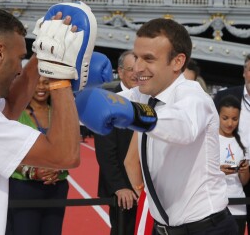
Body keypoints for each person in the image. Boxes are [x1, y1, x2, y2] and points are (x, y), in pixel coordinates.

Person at [77, 18, 239, 234]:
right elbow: (89, 108)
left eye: (149, 59)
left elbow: (184, 127)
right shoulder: (143, 94)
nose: (138, 67)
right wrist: (68, 85)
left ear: (177, 61)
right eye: (136, 57)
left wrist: (135, 114)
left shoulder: (194, 96)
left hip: (206, 229)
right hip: (163, 228)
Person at [0, 4, 96, 234]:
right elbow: (65, 155)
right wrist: (59, 74)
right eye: (20, 58)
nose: (20, 69)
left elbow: (9, 107)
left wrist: (43, 54)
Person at [6, 76, 69, 235]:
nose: (41, 87)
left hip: (56, 186)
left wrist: (57, 168)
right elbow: (6, 152)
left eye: (46, 82)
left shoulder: (61, 113)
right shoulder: (15, 113)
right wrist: (32, 172)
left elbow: (70, 147)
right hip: (24, 188)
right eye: (36, 82)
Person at [94, 50, 138, 235]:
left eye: (140, 69)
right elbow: (105, 151)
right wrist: (119, 186)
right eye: (131, 69)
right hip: (124, 192)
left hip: (148, 189)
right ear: (120, 72)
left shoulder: (150, 99)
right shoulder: (108, 102)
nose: (137, 73)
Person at [214, 53, 250, 234]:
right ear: (244, 72)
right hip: (222, 197)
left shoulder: (239, 145)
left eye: (234, 119)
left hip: (240, 193)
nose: (230, 122)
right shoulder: (224, 97)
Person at [217, 95, 249, 235]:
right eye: (225, 118)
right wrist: (218, 170)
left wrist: (244, 170)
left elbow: (244, 181)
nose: (230, 123)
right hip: (215, 207)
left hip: (238, 207)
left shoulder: (243, 143)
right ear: (217, 115)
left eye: (234, 119)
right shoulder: (209, 139)